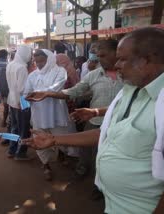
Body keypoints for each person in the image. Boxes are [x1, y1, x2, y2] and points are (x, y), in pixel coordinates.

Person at [24, 27, 164, 214]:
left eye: (122, 58)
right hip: (115, 204)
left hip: (142, 207)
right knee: (87, 157)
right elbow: (106, 132)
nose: (117, 64)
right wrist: (55, 140)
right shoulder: (131, 89)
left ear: (146, 61)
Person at [27, 39, 123, 200]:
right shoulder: (93, 75)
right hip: (95, 122)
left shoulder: (129, 75)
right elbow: (74, 91)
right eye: (98, 55)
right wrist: (47, 94)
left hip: (121, 125)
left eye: (103, 55)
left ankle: (105, 186)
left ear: (117, 54)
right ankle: (89, 178)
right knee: (89, 155)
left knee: (111, 158)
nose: (99, 59)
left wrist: (48, 93)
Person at [24, 49, 70, 180]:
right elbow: (26, 92)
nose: (38, 64)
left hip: (56, 112)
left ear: (49, 59)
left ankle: (62, 154)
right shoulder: (33, 75)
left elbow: (56, 87)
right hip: (38, 113)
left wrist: (38, 93)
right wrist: (27, 97)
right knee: (39, 137)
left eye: (41, 61)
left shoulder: (60, 71)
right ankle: (46, 165)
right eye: (36, 61)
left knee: (61, 135)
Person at [6, 45, 32, 160]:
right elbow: (22, 89)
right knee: (23, 128)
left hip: (11, 100)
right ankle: (20, 153)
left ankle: (12, 149)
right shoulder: (22, 67)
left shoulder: (10, 64)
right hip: (21, 102)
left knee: (14, 127)